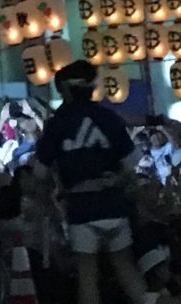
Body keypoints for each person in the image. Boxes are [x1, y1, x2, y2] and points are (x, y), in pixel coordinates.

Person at [31, 59, 150, 304]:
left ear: (64, 89)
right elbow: (131, 163)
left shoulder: (56, 125)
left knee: (87, 276)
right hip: (114, 205)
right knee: (127, 270)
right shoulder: (108, 117)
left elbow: (38, 173)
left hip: (81, 209)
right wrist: (113, 180)